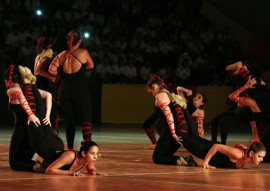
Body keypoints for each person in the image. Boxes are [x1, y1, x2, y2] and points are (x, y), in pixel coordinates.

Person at [4, 64, 64, 172]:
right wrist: (47, 116)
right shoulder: (29, 91)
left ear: (8, 80)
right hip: (33, 131)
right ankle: (40, 164)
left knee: (14, 163)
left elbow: (20, 96)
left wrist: (30, 114)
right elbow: (48, 95)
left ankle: (36, 167)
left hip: (22, 131)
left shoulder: (11, 90)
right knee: (24, 158)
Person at [48, 30, 95, 149]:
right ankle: (87, 145)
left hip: (64, 91)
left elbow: (51, 70)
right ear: (79, 41)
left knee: (70, 120)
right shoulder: (83, 52)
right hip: (80, 89)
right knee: (86, 118)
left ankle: (70, 148)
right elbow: (91, 65)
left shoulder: (61, 55)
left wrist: (58, 75)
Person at [146, 74, 198, 166]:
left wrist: (173, 134)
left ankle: (186, 160)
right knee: (164, 155)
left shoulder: (160, 96)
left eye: (151, 92)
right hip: (177, 131)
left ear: (154, 87)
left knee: (157, 158)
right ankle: (186, 160)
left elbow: (169, 115)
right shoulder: (167, 92)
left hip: (170, 133)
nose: (152, 94)